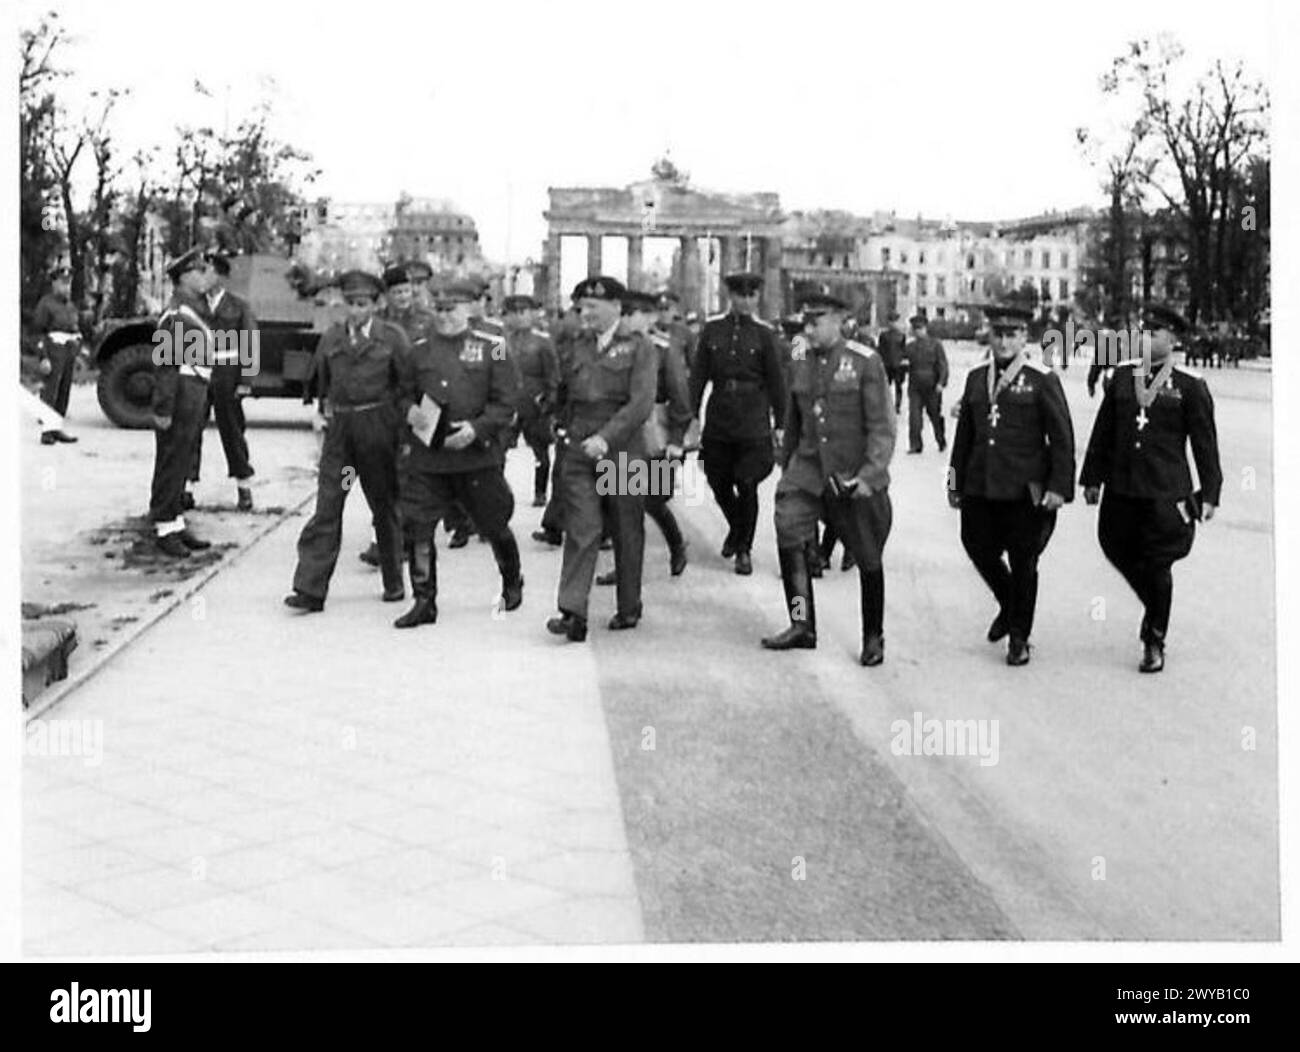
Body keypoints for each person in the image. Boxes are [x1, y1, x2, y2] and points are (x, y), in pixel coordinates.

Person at [1079, 305, 1222, 673]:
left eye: (1155, 333)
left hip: (1165, 492)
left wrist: (1209, 493)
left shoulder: (1190, 385)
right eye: (1143, 332)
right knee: (1113, 545)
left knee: (1159, 563)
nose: (1146, 338)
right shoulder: (1124, 377)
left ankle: (1153, 639)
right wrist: (1092, 477)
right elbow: (1103, 431)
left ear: (1173, 340)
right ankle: (1155, 602)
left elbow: (1205, 443)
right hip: (1123, 486)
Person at [760, 294, 895, 666]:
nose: (808, 329)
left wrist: (870, 475)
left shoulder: (865, 361)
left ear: (839, 320)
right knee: (788, 528)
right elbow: (794, 418)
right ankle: (801, 622)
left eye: (816, 321)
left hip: (850, 473)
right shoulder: (800, 359)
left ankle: (873, 636)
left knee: (867, 555)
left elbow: (882, 427)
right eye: (806, 321)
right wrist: (786, 463)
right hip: (807, 469)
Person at [948, 304, 1076, 666]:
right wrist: (954, 482)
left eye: (1012, 335)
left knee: (1024, 562)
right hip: (980, 485)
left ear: (1024, 338)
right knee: (976, 545)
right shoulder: (976, 378)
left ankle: (1019, 636)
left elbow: (1061, 436)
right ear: (989, 336)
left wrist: (1058, 488)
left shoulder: (1041, 378)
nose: (1004, 342)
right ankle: (1008, 601)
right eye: (998, 334)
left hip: (1024, 490)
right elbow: (965, 437)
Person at [392, 279, 524, 628]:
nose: (446, 316)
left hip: (475, 455)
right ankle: (424, 600)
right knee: (419, 527)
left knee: (494, 523)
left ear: (469, 309)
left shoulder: (494, 347)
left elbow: (506, 401)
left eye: (453, 309)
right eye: (441, 309)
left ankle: (512, 580)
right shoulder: (418, 350)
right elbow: (402, 393)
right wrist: (409, 412)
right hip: (429, 455)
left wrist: (477, 430)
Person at [285, 270, 412, 612]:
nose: (356, 311)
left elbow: (407, 388)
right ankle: (310, 589)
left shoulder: (393, 338)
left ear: (377, 304)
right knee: (329, 504)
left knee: (383, 505)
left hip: (377, 434)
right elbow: (320, 385)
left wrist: (400, 435)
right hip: (341, 435)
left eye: (363, 304)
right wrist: (319, 415)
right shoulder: (331, 338)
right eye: (350, 304)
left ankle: (393, 579)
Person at [546, 277, 656, 641]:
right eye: (582, 307)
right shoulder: (576, 345)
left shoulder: (639, 347)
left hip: (622, 451)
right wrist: (560, 429)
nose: (585, 313)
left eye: (593, 307)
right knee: (582, 528)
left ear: (616, 308)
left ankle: (629, 605)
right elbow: (563, 393)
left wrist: (605, 439)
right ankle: (573, 610)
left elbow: (640, 404)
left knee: (627, 529)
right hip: (579, 449)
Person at [689, 271, 785, 575]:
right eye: (740, 295)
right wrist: (690, 416)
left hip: (753, 417)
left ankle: (744, 548)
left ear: (757, 298)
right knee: (716, 478)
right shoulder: (713, 330)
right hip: (720, 415)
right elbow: (698, 377)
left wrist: (781, 422)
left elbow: (777, 381)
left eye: (751, 295)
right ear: (731, 297)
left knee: (746, 482)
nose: (746, 301)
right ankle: (736, 526)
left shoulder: (765, 334)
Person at [597, 289, 693, 583]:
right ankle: (625, 567)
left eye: (631, 314)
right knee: (620, 502)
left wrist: (677, 440)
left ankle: (676, 545)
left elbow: (680, 397)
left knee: (651, 499)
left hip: (656, 433)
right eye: (622, 314)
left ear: (647, 316)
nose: (626, 320)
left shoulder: (663, 348)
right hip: (623, 434)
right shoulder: (611, 346)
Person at [148, 247, 217, 557]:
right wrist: (162, 407)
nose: (205, 277)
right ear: (183, 278)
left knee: (183, 458)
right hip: (180, 390)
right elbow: (165, 365)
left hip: (195, 389)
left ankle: (175, 521)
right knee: (171, 459)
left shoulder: (196, 309)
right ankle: (163, 526)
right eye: (199, 272)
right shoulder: (177, 314)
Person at [189, 252, 257, 510]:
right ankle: (187, 486)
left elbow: (249, 342)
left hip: (228, 372)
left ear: (219, 275)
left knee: (232, 430)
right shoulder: (195, 304)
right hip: (200, 371)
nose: (202, 276)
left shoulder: (238, 306)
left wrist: (246, 380)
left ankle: (244, 486)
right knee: (192, 429)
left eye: (206, 271)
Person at [502, 294, 559, 507]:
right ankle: (498, 496)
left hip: (535, 404)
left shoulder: (542, 342)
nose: (519, 317)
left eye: (523, 312)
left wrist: (548, 403)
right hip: (508, 403)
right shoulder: (502, 342)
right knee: (498, 453)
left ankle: (540, 492)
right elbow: (499, 371)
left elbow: (552, 375)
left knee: (540, 453)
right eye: (513, 313)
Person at [31, 266, 83, 444]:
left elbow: (74, 328)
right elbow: (38, 333)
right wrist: (43, 357)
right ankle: (47, 432)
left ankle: (57, 428)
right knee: (50, 391)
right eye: (62, 283)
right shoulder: (46, 304)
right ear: (54, 283)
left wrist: (78, 349)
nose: (65, 287)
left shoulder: (69, 305)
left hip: (68, 351)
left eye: (68, 284)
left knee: (64, 392)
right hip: (53, 350)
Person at [904, 314, 949, 453]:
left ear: (925, 328)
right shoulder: (909, 347)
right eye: (915, 329)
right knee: (914, 418)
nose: (918, 331)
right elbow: (904, 364)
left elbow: (943, 365)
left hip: (932, 387)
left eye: (920, 328)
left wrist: (941, 382)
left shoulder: (936, 345)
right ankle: (915, 445)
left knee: (935, 416)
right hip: (915, 387)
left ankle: (941, 440)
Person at [876, 311, 908, 415]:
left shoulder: (902, 335)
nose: (893, 324)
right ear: (889, 322)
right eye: (891, 321)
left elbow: (904, 351)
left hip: (898, 365)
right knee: (885, 387)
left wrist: (904, 366)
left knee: (898, 387)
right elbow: (880, 350)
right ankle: (885, 406)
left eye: (895, 321)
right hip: (887, 364)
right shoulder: (884, 335)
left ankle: (897, 406)